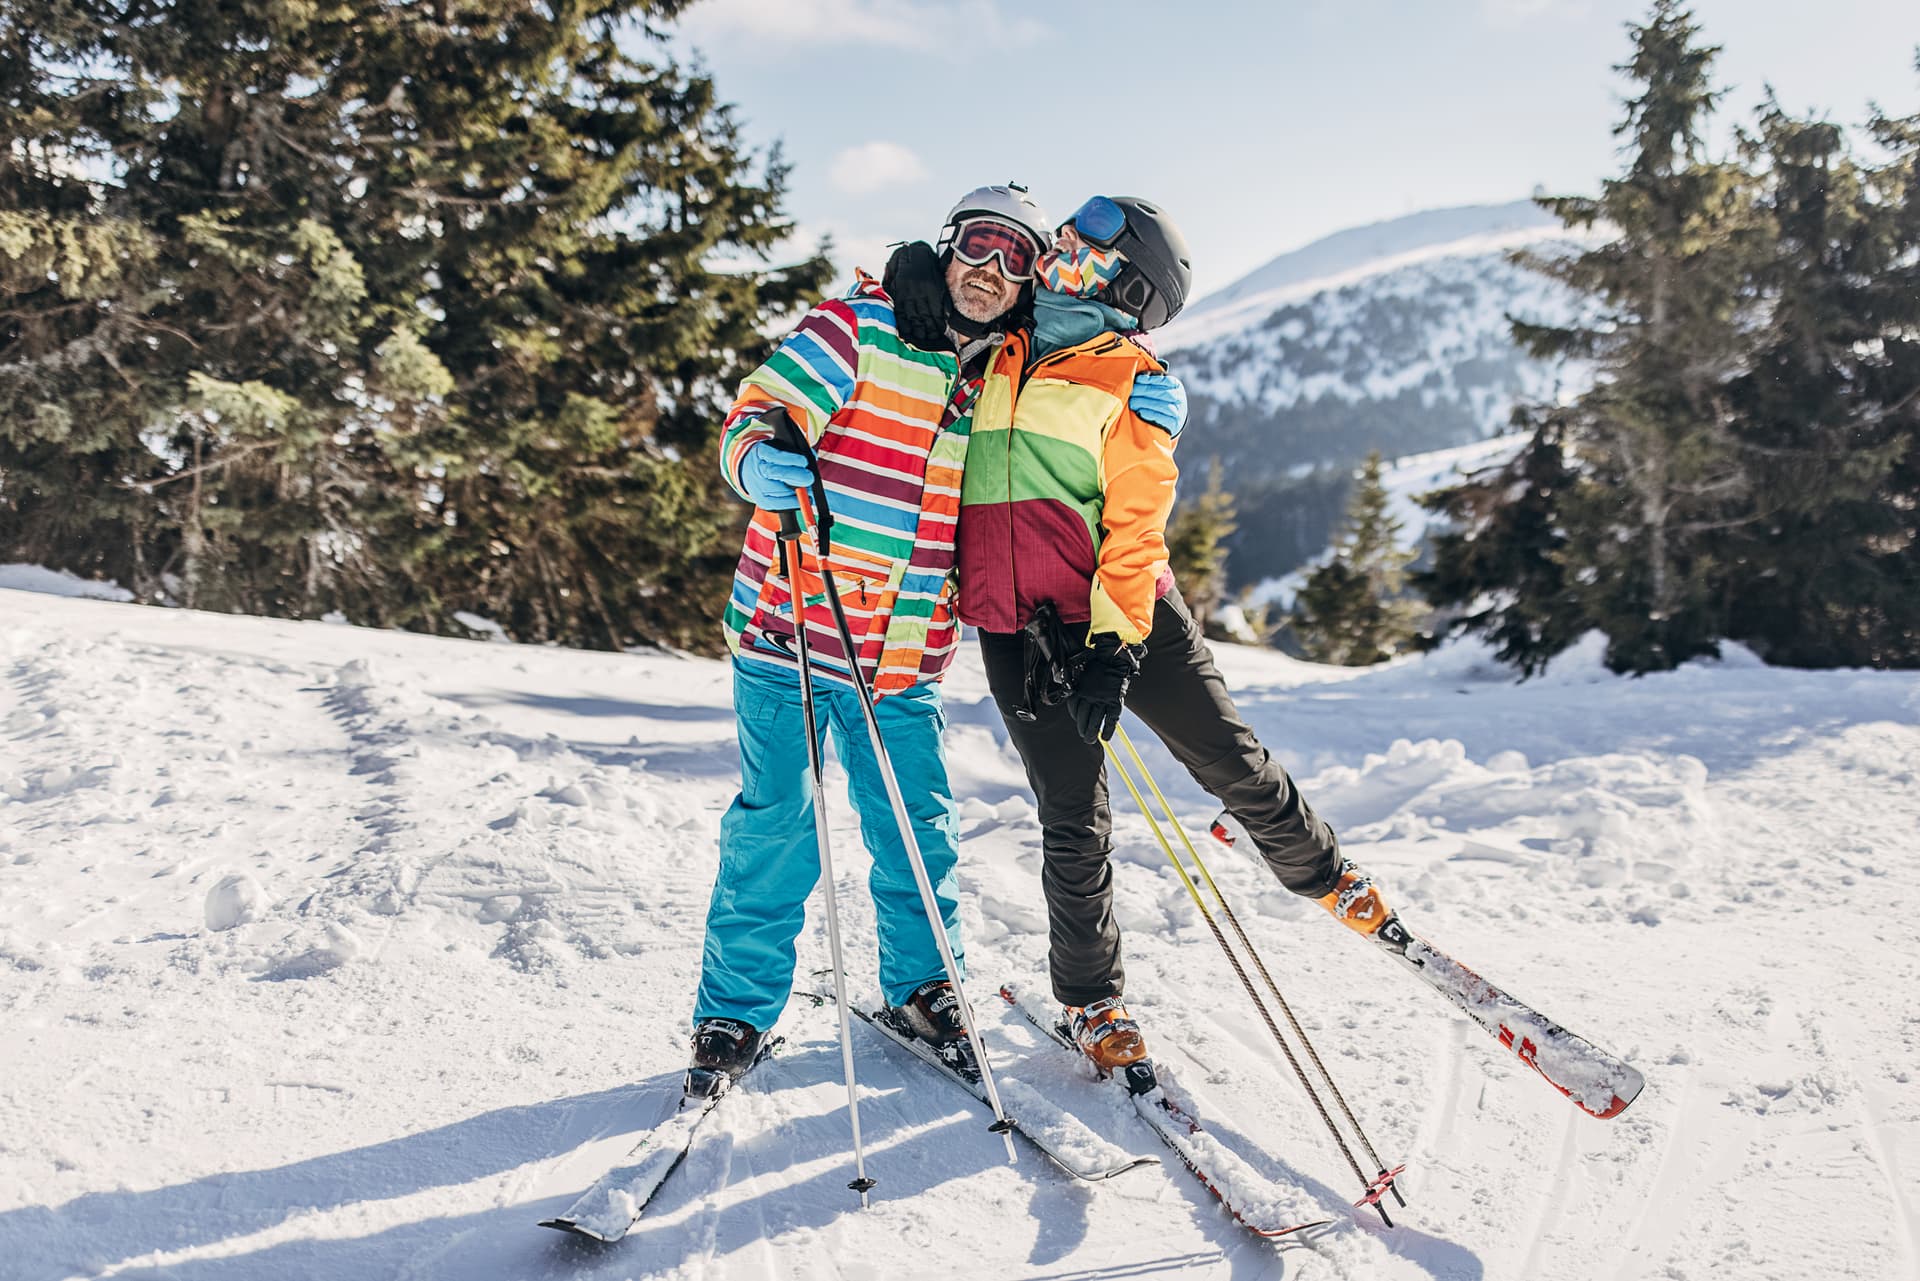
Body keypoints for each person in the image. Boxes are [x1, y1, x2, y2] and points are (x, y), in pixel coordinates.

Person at [690, 185, 1188, 1093]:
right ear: (947, 245)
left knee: (915, 828)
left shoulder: (1000, 365)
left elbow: (1097, 363)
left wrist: (1153, 385)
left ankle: (923, 988)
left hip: (902, 655)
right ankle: (735, 1009)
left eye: (1015, 258)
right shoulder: (858, 330)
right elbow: (758, 411)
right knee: (778, 823)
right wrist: (755, 454)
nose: (992, 273)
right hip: (790, 631)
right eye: (978, 248)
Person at [945, 196, 1395, 1072]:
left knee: (1226, 755)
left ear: (1125, 279)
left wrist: (1112, 648)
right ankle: (1092, 1001)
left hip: (1129, 622)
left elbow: (1136, 528)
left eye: (1085, 240)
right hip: (1020, 631)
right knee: (1071, 815)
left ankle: (1327, 873)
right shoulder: (993, 350)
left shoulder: (1129, 382)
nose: (1061, 245)